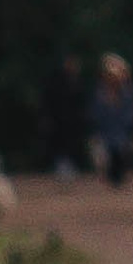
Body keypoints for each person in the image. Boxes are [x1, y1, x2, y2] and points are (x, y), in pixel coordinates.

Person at [86, 51, 133, 184]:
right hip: (104, 137)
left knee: (122, 162)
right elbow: (94, 117)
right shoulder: (99, 94)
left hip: (122, 137)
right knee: (101, 158)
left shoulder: (129, 94)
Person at [40, 51, 90, 180]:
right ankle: (61, 168)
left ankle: (73, 168)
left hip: (75, 122)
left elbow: (82, 102)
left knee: (74, 146)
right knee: (60, 146)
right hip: (59, 122)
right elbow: (48, 102)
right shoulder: (55, 81)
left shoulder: (79, 81)